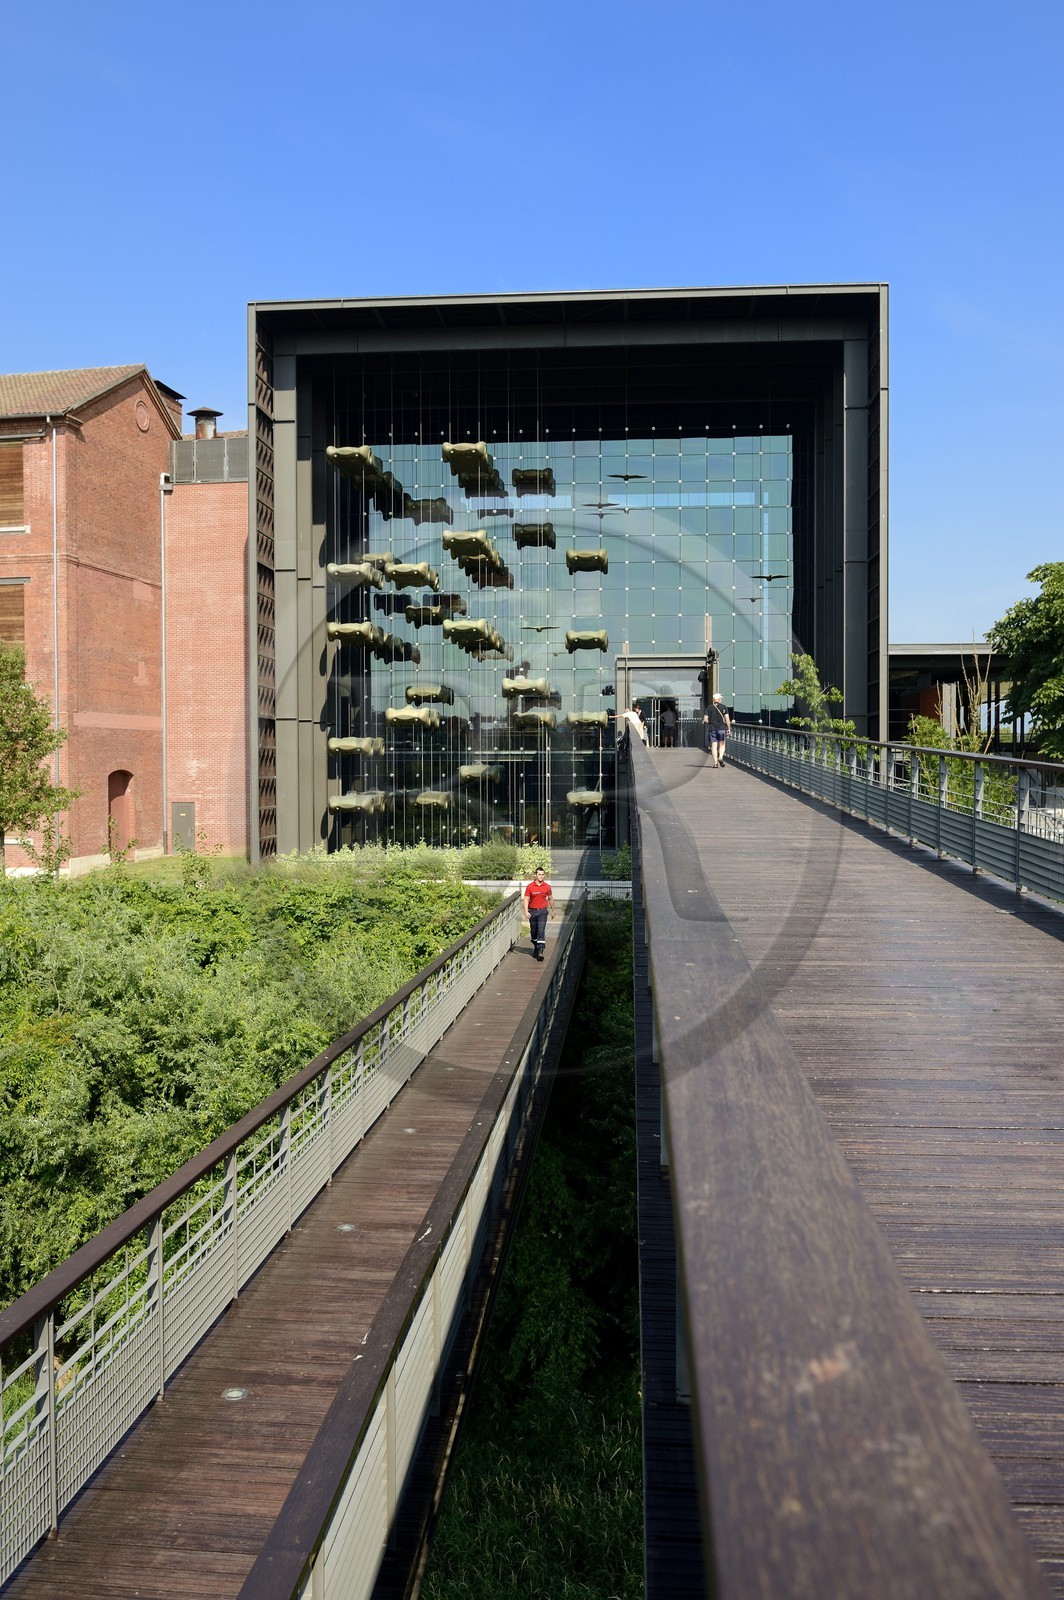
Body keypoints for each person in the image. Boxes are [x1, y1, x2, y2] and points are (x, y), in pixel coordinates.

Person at [523, 867, 554, 962]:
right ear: (536, 875)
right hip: (532, 911)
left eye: (542, 874)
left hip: (542, 911)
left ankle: (540, 951)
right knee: (533, 932)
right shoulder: (530, 887)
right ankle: (536, 947)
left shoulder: (547, 887)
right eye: (539, 874)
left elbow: (550, 898)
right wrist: (526, 911)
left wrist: (553, 910)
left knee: (541, 930)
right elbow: (526, 899)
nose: (541, 876)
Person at [702, 692, 732, 767]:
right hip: (721, 729)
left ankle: (715, 763)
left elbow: (705, 719)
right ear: (718, 699)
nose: (721, 700)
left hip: (712, 729)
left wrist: (710, 722)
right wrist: (729, 728)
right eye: (720, 698)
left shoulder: (709, 707)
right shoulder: (724, 707)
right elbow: (727, 719)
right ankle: (720, 757)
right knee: (722, 745)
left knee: (714, 746)